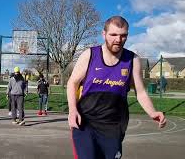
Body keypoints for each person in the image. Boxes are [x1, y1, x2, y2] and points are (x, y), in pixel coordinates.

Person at [67, 16, 166, 159]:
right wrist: (72, 110)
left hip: (113, 126)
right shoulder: (90, 55)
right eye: (113, 35)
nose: (118, 40)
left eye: (123, 35)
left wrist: (152, 112)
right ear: (104, 34)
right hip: (85, 122)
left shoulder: (133, 60)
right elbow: (72, 83)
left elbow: (141, 92)